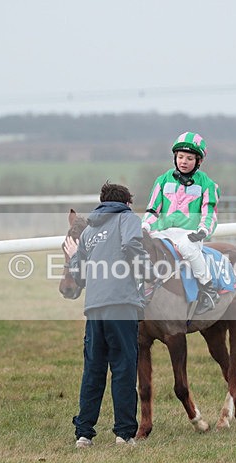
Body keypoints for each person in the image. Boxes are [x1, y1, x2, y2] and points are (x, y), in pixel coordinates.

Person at [63, 181, 148, 448]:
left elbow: (79, 276)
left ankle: (84, 434)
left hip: (95, 308)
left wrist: (76, 257)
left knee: (93, 370)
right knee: (123, 368)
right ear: (127, 203)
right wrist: (146, 271)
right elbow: (133, 244)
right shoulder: (128, 218)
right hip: (122, 305)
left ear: (102, 202)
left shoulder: (89, 231)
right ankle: (124, 434)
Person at [141, 131, 221, 315]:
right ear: (175, 158)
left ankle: (208, 289)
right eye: (181, 157)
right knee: (144, 247)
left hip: (190, 233)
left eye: (189, 158)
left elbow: (209, 213)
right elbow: (153, 210)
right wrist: (145, 225)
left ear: (198, 161)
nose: (184, 161)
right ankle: (141, 287)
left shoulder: (208, 185)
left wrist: (202, 230)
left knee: (187, 246)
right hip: (163, 231)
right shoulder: (162, 180)